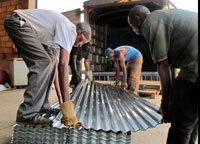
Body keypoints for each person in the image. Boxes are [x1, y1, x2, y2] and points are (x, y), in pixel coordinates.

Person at [4, 9, 91, 126]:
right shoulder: (70, 31)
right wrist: (67, 107)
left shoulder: (56, 39)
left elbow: (55, 66)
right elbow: (64, 66)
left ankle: (42, 107)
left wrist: (61, 98)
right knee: (43, 62)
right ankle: (27, 114)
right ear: (79, 32)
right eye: (82, 41)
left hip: (28, 29)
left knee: (49, 61)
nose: (79, 45)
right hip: (18, 22)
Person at [128, 5, 198, 144]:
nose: (133, 30)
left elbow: (163, 64)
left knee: (181, 126)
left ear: (137, 19)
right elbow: (170, 64)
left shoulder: (151, 22)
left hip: (194, 70)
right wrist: (170, 96)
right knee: (192, 120)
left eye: (131, 25)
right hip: (193, 66)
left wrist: (165, 103)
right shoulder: (166, 18)